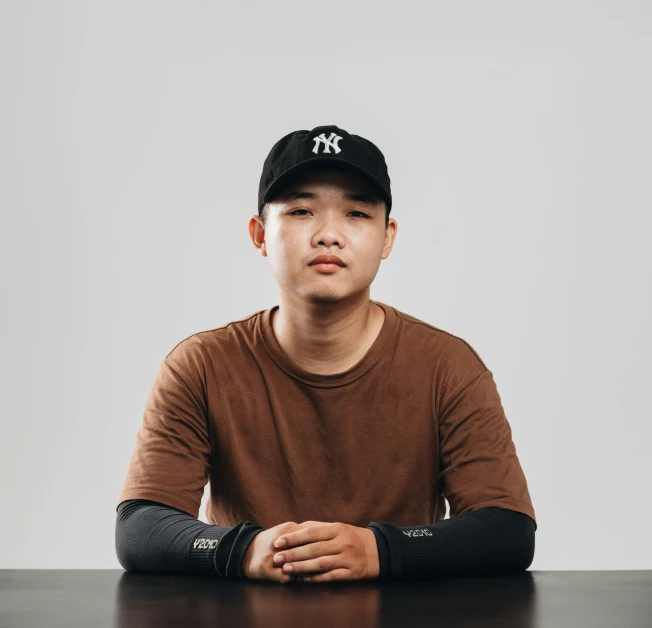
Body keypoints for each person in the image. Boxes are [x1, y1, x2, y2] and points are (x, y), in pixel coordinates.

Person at [115, 124, 537, 583]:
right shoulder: (201, 366)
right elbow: (139, 527)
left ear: (388, 237)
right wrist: (243, 550)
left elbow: (508, 530)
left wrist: (381, 549)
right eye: (300, 210)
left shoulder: (449, 368)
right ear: (259, 234)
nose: (328, 234)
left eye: (356, 213)